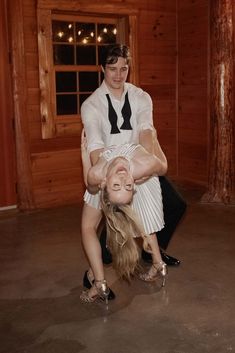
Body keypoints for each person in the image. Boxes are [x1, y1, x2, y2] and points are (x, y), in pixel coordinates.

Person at [80, 43, 184, 301]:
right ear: (102, 68)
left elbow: (146, 132)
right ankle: (102, 278)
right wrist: (103, 175)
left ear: (129, 68)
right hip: (107, 165)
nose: (118, 74)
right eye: (112, 69)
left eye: (124, 68)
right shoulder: (91, 105)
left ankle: (145, 263)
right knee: (91, 225)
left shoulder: (141, 97)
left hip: (134, 162)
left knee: (158, 211)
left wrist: (144, 163)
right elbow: (95, 146)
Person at [80, 128, 168, 303]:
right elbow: (164, 167)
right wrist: (156, 141)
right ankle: (158, 263)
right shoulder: (145, 165)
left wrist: (84, 156)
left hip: (103, 175)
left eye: (116, 186)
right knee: (141, 216)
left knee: (87, 227)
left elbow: (90, 186)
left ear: (104, 184)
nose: (122, 180)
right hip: (131, 168)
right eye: (127, 186)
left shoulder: (97, 175)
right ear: (134, 184)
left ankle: (99, 284)